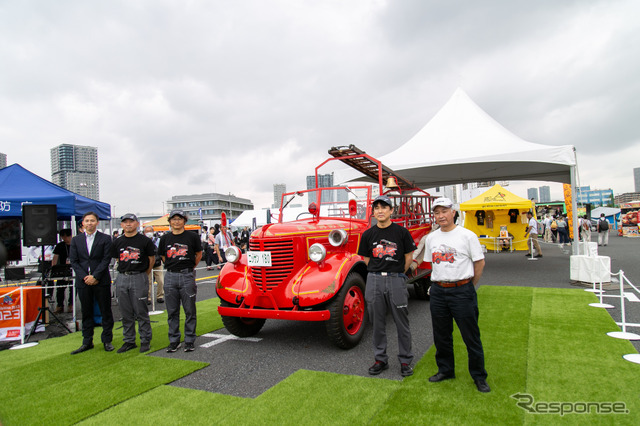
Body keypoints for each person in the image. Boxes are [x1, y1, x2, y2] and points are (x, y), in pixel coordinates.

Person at [424, 197, 490, 393]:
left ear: (453, 212)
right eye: (437, 212)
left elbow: (479, 263)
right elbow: (432, 263)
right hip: (438, 291)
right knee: (441, 335)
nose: (441, 216)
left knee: (471, 336)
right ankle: (446, 370)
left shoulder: (467, 235)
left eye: (444, 211)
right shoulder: (432, 238)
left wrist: (469, 286)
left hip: (462, 290)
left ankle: (479, 376)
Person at [357, 194, 416, 377]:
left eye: (384, 207)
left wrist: (398, 274)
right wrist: (376, 271)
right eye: (376, 208)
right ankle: (380, 359)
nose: (380, 211)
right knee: (377, 323)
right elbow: (367, 258)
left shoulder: (401, 232)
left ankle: (405, 361)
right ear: (373, 212)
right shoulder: (368, 234)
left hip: (396, 279)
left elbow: (408, 257)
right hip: (374, 280)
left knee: (401, 322)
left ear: (391, 211)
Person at [69, 211, 114, 354]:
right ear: (83, 223)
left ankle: (107, 340)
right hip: (83, 282)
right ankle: (87, 341)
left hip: (101, 280)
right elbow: (74, 262)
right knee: (86, 311)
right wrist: (85, 277)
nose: (89, 223)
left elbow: (106, 259)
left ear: (97, 222)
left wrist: (95, 276)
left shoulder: (105, 239)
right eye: (87, 221)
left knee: (105, 311)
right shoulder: (76, 240)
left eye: (92, 221)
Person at [159, 209, 203, 353]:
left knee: (189, 309)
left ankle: (189, 340)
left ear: (184, 220)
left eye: (179, 219)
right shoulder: (165, 238)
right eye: (173, 219)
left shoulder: (192, 237)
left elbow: (198, 254)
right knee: (172, 310)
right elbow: (163, 257)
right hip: (170, 275)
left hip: (187, 275)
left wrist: (188, 267)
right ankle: (174, 340)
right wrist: (173, 266)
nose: (176, 221)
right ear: (170, 221)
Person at [112, 214, 156, 353]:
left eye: (131, 222)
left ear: (137, 224)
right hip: (122, 277)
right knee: (125, 312)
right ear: (121, 225)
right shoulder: (118, 242)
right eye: (125, 222)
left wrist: (144, 274)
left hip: (139, 276)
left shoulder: (144, 240)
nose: (128, 224)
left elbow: (151, 259)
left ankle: (145, 339)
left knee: (141, 311)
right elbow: (116, 259)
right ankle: (129, 340)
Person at [51, 229, 73, 314]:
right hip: (62, 269)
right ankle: (60, 306)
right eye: (63, 236)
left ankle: (71, 305)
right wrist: (53, 267)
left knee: (73, 288)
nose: (65, 238)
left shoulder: (75, 244)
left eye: (66, 236)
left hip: (73, 268)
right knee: (60, 288)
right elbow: (55, 257)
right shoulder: (60, 245)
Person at [144, 226, 165, 304]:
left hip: (157, 263)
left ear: (153, 232)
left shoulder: (158, 240)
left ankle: (160, 296)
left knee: (160, 280)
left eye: (150, 231)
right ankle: (148, 297)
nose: (148, 233)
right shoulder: (143, 241)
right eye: (146, 231)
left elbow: (162, 251)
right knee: (148, 281)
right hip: (147, 264)